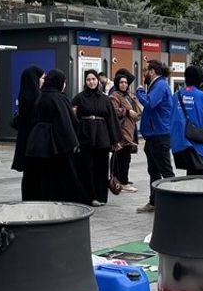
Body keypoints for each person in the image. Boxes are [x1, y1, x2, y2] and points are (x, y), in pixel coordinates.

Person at [25, 69, 86, 203]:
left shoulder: (39, 96)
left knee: (42, 176)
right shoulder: (59, 98)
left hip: (37, 142)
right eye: (64, 82)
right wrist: (73, 142)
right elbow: (66, 122)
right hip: (57, 143)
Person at [72, 69, 121, 206]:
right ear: (85, 81)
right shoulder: (79, 97)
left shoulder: (105, 98)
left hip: (102, 137)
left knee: (101, 168)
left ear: (98, 81)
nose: (91, 82)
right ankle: (89, 197)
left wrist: (115, 140)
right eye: (88, 79)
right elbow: (73, 116)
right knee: (86, 168)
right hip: (85, 136)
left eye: (93, 79)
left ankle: (101, 196)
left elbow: (111, 119)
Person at [136, 60, 175, 213]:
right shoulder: (157, 85)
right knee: (153, 170)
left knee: (166, 171)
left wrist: (139, 91)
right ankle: (154, 202)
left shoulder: (160, 85)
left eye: (145, 70)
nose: (144, 73)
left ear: (152, 72)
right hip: (154, 135)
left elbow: (149, 103)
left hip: (159, 135)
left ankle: (174, 202)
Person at [171, 65, 203, 175]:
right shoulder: (202, 96)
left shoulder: (176, 96)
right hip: (196, 142)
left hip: (179, 143)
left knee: (191, 173)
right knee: (200, 175)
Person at [11, 65, 44, 200]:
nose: (43, 81)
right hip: (35, 142)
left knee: (28, 175)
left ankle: (27, 198)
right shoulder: (37, 97)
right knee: (37, 174)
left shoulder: (24, 94)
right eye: (41, 78)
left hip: (24, 141)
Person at [109, 69, 141, 193]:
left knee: (125, 158)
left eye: (126, 82)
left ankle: (121, 180)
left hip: (129, 131)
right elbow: (114, 111)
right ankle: (121, 181)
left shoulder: (127, 96)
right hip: (121, 132)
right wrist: (127, 111)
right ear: (117, 83)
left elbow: (137, 111)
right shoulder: (115, 96)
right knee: (121, 158)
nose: (124, 84)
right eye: (121, 82)